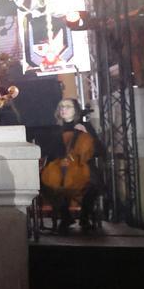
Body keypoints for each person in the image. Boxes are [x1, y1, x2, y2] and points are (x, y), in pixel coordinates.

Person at [41, 98, 100, 231]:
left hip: (81, 165)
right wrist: (58, 160)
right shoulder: (55, 130)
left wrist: (86, 134)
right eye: (61, 107)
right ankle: (65, 216)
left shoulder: (86, 127)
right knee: (48, 184)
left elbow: (99, 150)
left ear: (76, 111)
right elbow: (48, 151)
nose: (64, 109)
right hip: (59, 165)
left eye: (68, 107)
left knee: (94, 185)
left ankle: (85, 217)